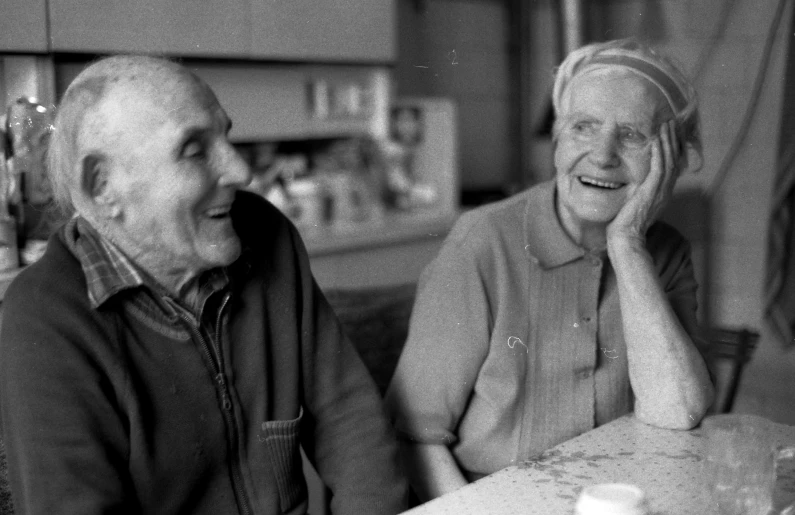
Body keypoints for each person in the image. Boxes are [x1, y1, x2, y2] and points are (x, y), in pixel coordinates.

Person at [0, 55, 408, 514]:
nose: (239, 170)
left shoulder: (266, 234)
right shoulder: (44, 317)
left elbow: (349, 421)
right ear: (103, 185)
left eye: (225, 136)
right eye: (195, 150)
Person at [384, 38, 715, 501]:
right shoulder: (482, 242)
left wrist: (627, 245)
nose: (602, 155)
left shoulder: (663, 253)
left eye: (633, 135)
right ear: (558, 139)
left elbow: (678, 413)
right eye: (583, 127)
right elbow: (413, 437)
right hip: (488, 501)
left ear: (672, 161)